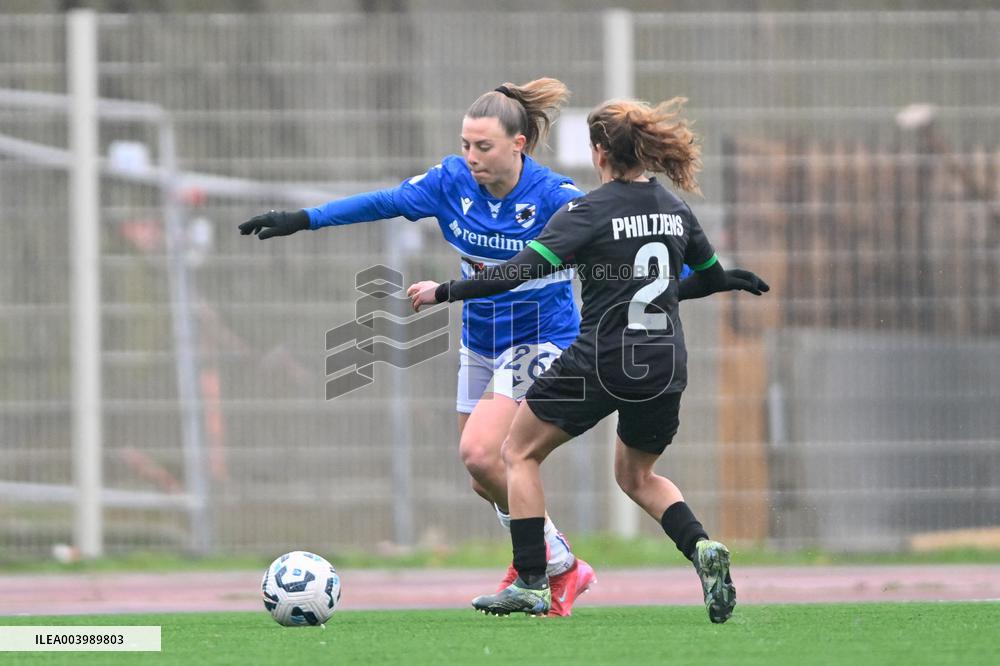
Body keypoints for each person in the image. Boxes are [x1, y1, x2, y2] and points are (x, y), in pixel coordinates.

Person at [240, 78, 599, 615]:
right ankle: (548, 557)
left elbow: (613, 233)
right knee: (482, 477)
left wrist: (685, 271)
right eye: (465, 144)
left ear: (518, 144)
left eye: (484, 146)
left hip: (542, 338)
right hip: (481, 341)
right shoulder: (451, 181)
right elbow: (383, 201)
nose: (471, 156)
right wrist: (303, 219)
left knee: (482, 453)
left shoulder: (552, 196)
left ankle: (554, 564)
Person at [407, 96, 769, 623]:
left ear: (599, 152)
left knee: (517, 452)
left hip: (601, 360)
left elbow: (515, 272)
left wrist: (446, 291)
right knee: (638, 476)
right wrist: (725, 279)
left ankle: (533, 581)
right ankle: (700, 547)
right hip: (663, 364)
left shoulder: (586, 212)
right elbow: (705, 279)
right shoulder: (675, 210)